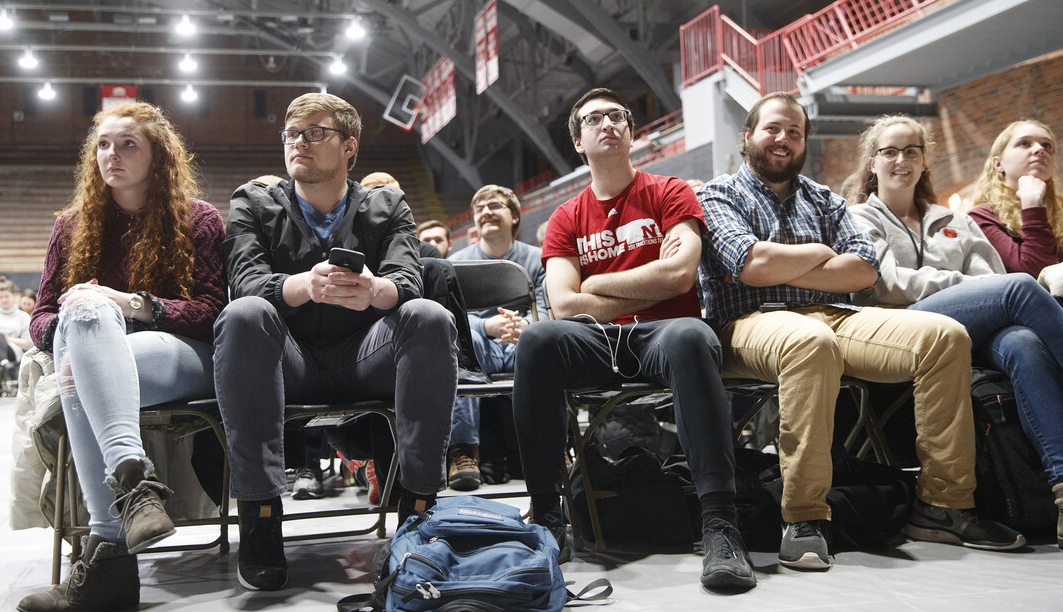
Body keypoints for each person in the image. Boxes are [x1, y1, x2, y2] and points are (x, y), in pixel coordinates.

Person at [698, 93, 1024, 572]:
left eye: (794, 131)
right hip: (747, 324)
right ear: (747, 136)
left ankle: (943, 506)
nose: (783, 139)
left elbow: (864, 270)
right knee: (812, 343)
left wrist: (787, 263)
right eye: (772, 129)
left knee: (944, 336)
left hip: (832, 315)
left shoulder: (824, 197)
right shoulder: (718, 194)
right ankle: (804, 517)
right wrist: (821, 256)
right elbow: (750, 264)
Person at [513, 88, 756, 589]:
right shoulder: (564, 218)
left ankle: (719, 523)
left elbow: (681, 278)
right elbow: (563, 303)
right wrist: (649, 278)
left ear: (630, 130)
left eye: (618, 116)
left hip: (665, 336)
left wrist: (597, 284)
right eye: (594, 119)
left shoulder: (670, 193)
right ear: (578, 142)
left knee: (691, 335)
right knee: (538, 339)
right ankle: (548, 514)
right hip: (597, 341)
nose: (608, 124)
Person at [213, 92, 456, 591]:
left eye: (315, 132)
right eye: (292, 134)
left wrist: (373, 290)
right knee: (243, 315)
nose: (299, 142)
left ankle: (418, 507)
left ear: (350, 146)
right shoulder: (252, 201)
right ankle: (259, 514)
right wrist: (305, 285)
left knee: (428, 316)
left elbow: (409, 281)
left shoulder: (387, 204)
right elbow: (244, 280)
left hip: (367, 354)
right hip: (288, 359)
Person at [16, 101, 225, 612]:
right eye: (104, 145)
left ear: (159, 156)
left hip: (183, 358)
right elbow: (40, 318)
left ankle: (108, 553)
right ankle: (132, 480)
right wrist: (84, 317)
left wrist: (131, 304)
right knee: (81, 326)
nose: (113, 154)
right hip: (88, 360)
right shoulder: (71, 227)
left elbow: (211, 312)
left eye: (129, 144)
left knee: (84, 337)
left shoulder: (198, 220)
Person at [846, 115, 1063, 553]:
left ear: (923, 163)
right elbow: (886, 284)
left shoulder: (953, 220)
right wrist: (956, 282)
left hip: (962, 328)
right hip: (898, 328)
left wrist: (961, 284)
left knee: (1023, 342)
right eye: (890, 151)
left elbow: (988, 274)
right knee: (1020, 287)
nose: (902, 160)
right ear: (872, 163)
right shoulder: (858, 217)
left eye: (912, 151)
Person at [446, 185, 547, 490]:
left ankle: (550, 446)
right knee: (459, 342)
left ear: (515, 217)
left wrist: (525, 326)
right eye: (479, 208)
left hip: (521, 341)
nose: (486, 212)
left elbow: (547, 307)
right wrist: (486, 327)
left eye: (495, 206)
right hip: (481, 344)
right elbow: (452, 315)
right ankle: (463, 451)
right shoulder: (456, 262)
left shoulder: (539, 258)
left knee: (543, 342)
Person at [967, 120, 1063, 329]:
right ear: (998, 163)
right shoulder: (981, 217)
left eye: (1046, 145)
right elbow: (1033, 274)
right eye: (1024, 143)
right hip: (1027, 320)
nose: (1039, 149)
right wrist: (1032, 205)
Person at [0, 278, 32, 377]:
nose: (4, 299)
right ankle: (4, 363)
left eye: (6, 296)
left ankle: (5, 363)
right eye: (0, 297)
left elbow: (29, 343)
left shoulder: (23, 316)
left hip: (13, 351)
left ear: (13, 295)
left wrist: (8, 339)